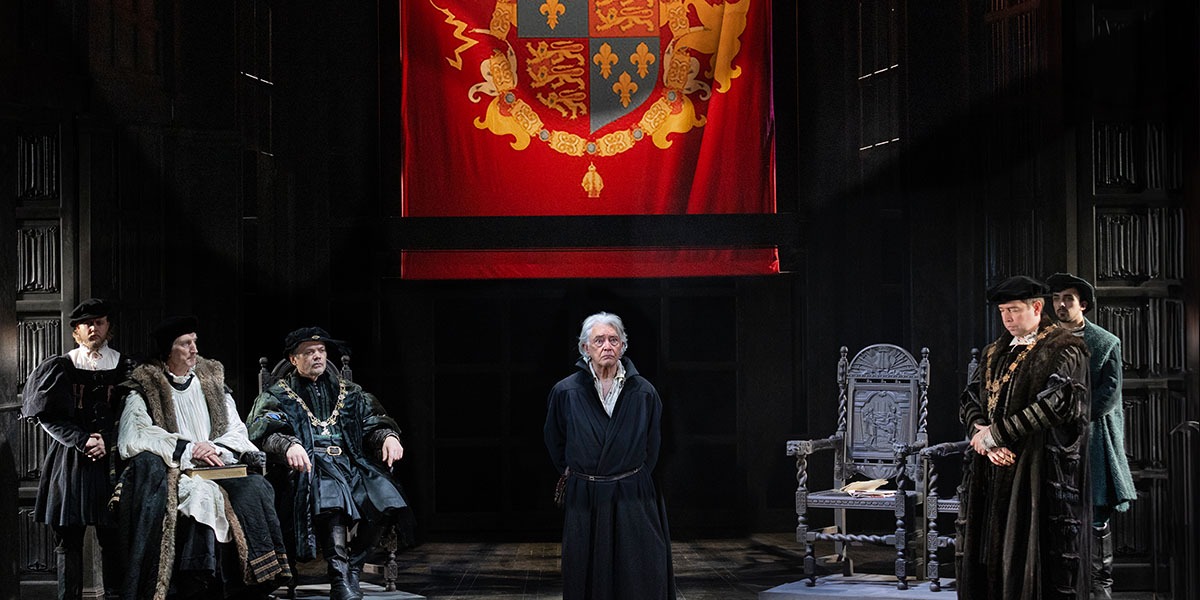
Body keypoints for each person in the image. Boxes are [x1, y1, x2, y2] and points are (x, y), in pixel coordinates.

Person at [115, 316, 290, 600]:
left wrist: (213, 448)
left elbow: (236, 428)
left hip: (218, 464)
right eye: (186, 344)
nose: (194, 349)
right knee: (202, 494)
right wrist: (187, 448)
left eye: (195, 342)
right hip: (175, 471)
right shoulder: (146, 389)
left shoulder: (212, 383)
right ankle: (199, 580)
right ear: (169, 351)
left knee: (256, 488)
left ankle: (251, 582)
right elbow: (134, 435)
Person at [247, 327, 412, 600]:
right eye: (309, 352)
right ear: (293, 359)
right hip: (308, 467)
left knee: (387, 498)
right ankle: (338, 577)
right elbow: (263, 429)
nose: (317, 356)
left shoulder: (349, 391)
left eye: (321, 351)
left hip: (351, 463)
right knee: (331, 495)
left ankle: (353, 569)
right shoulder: (278, 394)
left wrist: (388, 436)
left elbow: (374, 421)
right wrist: (289, 444)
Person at [957, 276, 1092, 600]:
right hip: (991, 468)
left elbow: (1055, 405)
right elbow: (970, 399)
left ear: (1036, 307)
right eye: (1003, 311)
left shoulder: (1064, 347)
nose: (1007, 318)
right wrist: (984, 437)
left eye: (1014, 310)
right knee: (989, 555)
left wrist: (997, 435)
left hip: (1036, 466)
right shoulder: (994, 351)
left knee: (1032, 555)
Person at [543, 312, 676, 599]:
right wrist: (579, 472)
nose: (607, 346)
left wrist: (630, 476)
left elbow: (654, 446)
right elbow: (554, 440)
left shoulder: (644, 392)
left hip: (632, 494)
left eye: (614, 340)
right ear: (584, 348)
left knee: (638, 573)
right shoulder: (566, 391)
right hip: (585, 496)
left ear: (623, 346)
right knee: (586, 574)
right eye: (599, 340)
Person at [20, 298, 128, 600]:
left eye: (100, 322)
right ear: (76, 331)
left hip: (111, 459)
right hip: (71, 461)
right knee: (68, 539)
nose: (93, 328)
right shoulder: (62, 366)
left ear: (108, 328)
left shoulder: (124, 366)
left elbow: (132, 414)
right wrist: (83, 440)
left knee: (113, 537)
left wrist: (108, 440)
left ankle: (114, 596)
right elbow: (49, 417)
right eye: (87, 324)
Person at [1046, 272, 1136, 599]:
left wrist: (1075, 418)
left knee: (1096, 508)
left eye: (1067, 299)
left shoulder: (1105, 342)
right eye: (1056, 299)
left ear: (1082, 304)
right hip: (1052, 437)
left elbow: (1109, 393)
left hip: (1093, 435)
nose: (1061, 305)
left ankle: (1100, 587)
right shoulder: (1045, 341)